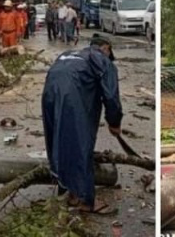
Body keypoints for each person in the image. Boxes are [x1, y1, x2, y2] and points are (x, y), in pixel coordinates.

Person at [41, 34, 123, 214]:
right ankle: (86, 200)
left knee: (58, 141)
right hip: (72, 98)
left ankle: (67, 191)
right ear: (106, 48)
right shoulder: (102, 59)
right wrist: (114, 122)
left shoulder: (70, 54)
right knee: (80, 144)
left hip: (49, 93)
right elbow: (111, 96)